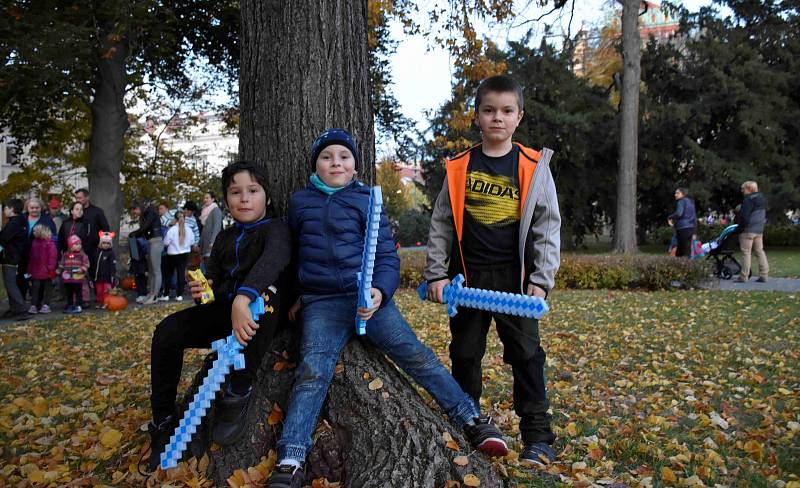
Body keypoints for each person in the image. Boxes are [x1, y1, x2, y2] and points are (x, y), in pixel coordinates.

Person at [268, 129, 505, 488]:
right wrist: (298, 295)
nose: (336, 162)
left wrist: (379, 292)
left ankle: (471, 417)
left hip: (368, 299)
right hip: (323, 302)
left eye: (344, 157)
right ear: (315, 164)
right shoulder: (301, 203)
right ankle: (292, 456)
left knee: (415, 354)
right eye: (327, 156)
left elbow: (385, 257)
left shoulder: (367, 199)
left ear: (355, 165)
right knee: (313, 370)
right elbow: (294, 255)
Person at [423, 75, 562, 468]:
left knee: (526, 355)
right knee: (465, 354)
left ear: (519, 116)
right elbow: (442, 224)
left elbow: (547, 226)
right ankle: (469, 424)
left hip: (516, 284)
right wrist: (436, 274)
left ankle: (538, 436)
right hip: (466, 281)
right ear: (478, 116)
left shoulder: (534, 166)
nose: (496, 118)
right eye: (488, 111)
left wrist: (540, 281)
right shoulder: (460, 166)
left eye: (505, 111)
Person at [146, 161, 291, 471]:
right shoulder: (225, 238)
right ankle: (163, 420)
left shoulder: (276, 229)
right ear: (227, 200)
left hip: (262, 316)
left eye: (253, 191)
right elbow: (212, 280)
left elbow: (272, 263)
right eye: (235, 192)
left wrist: (244, 297)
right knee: (167, 330)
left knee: (266, 299)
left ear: (266, 196)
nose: (245, 199)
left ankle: (239, 390)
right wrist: (202, 291)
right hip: (226, 313)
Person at [19, 198, 58, 302]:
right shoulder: (22, 219)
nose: (34, 210)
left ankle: (38, 302)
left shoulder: (47, 221)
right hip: (23, 254)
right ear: (27, 208)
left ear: (41, 208)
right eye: (31, 207)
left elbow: (53, 238)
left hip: (41, 255)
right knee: (22, 278)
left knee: (38, 280)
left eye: (37, 207)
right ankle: (22, 302)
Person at [128, 200, 163, 305]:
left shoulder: (151, 212)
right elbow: (145, 229)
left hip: (156, 241)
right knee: (152, 271)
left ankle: (155, 294)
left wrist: (135, 233)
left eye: (135, 211)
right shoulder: (147, 214)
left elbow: (146, 227)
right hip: (151, 242)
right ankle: (151, 293)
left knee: (156, 270)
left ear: (138, 208)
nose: (136, 214)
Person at [735, 180, 769, 283]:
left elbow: (744, 216)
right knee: (760, 251)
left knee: (746, 252)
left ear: (749, 189)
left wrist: (739, 229)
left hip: (748, 230)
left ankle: (743, 276)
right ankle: (764, 275)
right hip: (759, 229)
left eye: (743, 189)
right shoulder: (762, 198)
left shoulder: (748, 199)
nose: (742, 191)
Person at [0, 199, 29, 319]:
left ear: (12, 209)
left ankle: (21, 308)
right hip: (14, 256)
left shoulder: (14, 223)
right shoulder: (20, 221)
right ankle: (14, 308)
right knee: (9, 284)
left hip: (11, 257)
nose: (5, 211)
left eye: (6, 208)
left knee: (11, 284)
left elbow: (4, 239)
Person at [161, 210, 194, 301]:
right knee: (181, 274)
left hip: (172, 255)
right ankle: (179, 295)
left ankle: (166, 294)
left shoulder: (172, 230)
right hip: (185, 254)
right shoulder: (189, 229)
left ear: (175, 219)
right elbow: (192, 241)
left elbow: (166, 242)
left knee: (169, 274)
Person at [74, 188, 110, 269]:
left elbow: (105, 228)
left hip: (93, 248)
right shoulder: (76, 211)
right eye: (76, 198)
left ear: (87, 197)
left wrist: (103, 243)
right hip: (77, 248)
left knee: (93, 271)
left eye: (80, 198)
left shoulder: (97, 211)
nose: (77, 200)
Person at [26, 224, 58, 314]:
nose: (33, 233)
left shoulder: (49, 244)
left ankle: (46, 305)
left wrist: (50, 268)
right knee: (35, 289)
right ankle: (34, 305)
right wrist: (29, 269)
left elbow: (52, 257)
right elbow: (32, 257)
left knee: (47, 288)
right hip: (36, 271)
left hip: (47, 271)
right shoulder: (35, 242)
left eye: (34, 231)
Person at [59, 235, 89, 314]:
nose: (78, 246)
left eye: (79, 244)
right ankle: (70, 304)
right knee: (69, 292)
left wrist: (82, 269)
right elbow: (62, 263)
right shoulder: (65, 255)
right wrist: (60, 269)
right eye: (76, 244)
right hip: (68, 278)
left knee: (78, 292)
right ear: (70, 246)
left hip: (78, 277)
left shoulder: (82, 255)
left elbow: (86, 264)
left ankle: (79, 305)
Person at [667, 187, 697, 258]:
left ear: (683, 194)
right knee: (688, 250)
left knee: (680, 251)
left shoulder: (681, 201)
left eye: (677, 193)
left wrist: (670, 217)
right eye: (675, 193)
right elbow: (694, 217)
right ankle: (688, 266)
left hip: (682, 228)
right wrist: (694, 231)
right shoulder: (691, 202)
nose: (675, 195)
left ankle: (679, 266)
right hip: (691, 228)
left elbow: (679, 213)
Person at [92, 231, 117, 308]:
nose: (105, 245)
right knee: (99, 291)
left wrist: (112, 275)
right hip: (98, 276)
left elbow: (113, 264)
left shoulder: (111, 253)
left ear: (110, 244)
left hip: (107, 276)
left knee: (106, 290)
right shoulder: (97, 252)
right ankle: (100, 302)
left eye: (107, 243)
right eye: (104, 243)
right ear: (101, 243)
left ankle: (106, 302)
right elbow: (95, 264)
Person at [198, 191, 223, 269]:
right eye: (204, 198)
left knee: (210, 269)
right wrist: (199, 243)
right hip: (205, 244)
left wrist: (213, 242)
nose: (205, 199)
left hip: (211, 245)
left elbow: (217, 227)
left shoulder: (215, 210)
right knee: (204, 268)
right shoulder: (205, 211)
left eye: (207, 198)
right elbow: (204, 230)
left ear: (213, 199)